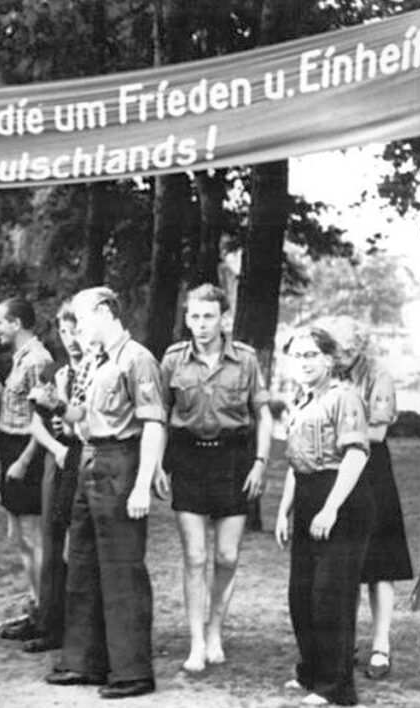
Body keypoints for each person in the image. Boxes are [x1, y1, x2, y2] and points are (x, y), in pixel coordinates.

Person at [33, 286, 165, 700]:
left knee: (122, 569)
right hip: (90, 461)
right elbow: (85, 421)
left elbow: (154, 425)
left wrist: (143, 484)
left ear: (106, 312)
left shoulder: (137, 359)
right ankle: (83, 662)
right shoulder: (93, 361)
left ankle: (131, 672)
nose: (79, 328)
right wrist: (56, 405)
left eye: (84, 319)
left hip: (121, 464)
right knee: (83, 565)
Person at [154, 284, 272, 673]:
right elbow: (158, 417)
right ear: (186, 318)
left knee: (226, 556)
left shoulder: (246, 360)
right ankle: (196, 642)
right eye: (194, 316)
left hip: (234, 458)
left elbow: (263, 414)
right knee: (195, 556)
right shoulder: (172, 360)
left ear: (224, 318)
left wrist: (260, 461)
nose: (200, 325)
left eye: (208, 317)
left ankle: (216, 629)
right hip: (187, 458)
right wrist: (157, 464)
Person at [275, 326, 373, 707]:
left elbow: (356, 455)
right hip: (307, 494)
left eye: (311, 355)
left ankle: (336, 687)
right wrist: (285, 510)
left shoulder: (343, 397)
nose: (303, 362)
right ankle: (312, 672)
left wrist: (330, 507)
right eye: (297, 356)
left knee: (331, 595)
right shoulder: (300, 403)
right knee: (302, 594)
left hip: (342, 500)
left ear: (329, 361)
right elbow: (295, 464)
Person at [323, 315, 412, 680]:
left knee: (380, 564)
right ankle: (340, 645)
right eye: (331, 349)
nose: (335, 356)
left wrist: (338, 431)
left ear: (358, 347)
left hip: (372, 472)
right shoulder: (328, 369)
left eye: (341, 350)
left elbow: (376, 432)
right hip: (334, 468)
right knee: (341, 561)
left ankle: (380, 646)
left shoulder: (378, 374)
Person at [19, 301, 91, 654]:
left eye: (76, 329)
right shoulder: (54, 372)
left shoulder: (95, 371)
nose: (71, 338)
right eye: (64, 331)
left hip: (84, 457)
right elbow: (36, 422)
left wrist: (71, 429)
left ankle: (77, 627)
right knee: (51, 538)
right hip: (58, 459)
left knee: (76, 544)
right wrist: (56, 447)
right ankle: (49, 623)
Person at [0, 298, 52, 641]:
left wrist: (25, 460)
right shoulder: (21, 358)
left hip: (28, 452)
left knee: (32, 536)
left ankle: (45, 614)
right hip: (12, 447)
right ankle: (35, 606)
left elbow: (45, 417)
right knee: (19, 537)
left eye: (0, 322)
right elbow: (16, 405)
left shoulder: (40, 359)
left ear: (18, 323)